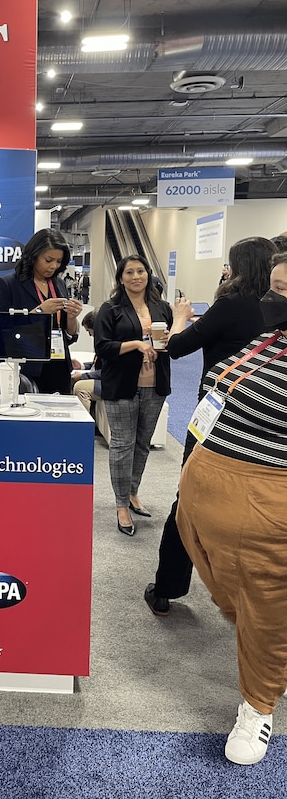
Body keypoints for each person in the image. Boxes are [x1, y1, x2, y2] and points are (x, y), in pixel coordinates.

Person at [176, 251, 287, 766]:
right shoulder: (270, 339)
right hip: (206, 494)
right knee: (241, 604)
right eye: (275, 286)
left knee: (266, 610)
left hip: (265, 510)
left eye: (284, 291)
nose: (272, 299)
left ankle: (258, 705)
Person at [144, 236, 275, 615]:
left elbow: (177, 346)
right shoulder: (271, 310)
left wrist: (181, 316)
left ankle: (167, 586)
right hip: (265, 424)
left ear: (237, 267)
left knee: (189, 498)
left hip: (217, 417)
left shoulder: (232, 304)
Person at [93, 254, 172, 535]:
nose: (136, 276)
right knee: (122, 444)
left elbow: (171, 343)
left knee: (142, 444)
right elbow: (103, 348)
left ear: (148, 274)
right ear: (121, 278)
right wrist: (136, 344)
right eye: (129, 272)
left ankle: (132, 492)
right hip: (122, 385)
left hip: (155, 384)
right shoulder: (110, 309)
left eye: (141, 271)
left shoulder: (162, 308)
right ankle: (120, 504)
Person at [0, 229, 83, 394]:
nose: (53, 266)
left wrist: (71, 318)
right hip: (26, 367)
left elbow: (68, 336)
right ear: (33, 256)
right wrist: (38, 312)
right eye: (48, 260)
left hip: (59, 366)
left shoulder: (59, 284)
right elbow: (1, 333)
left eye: (58, 261)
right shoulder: (8, 285)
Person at [71, 310, 102, 412]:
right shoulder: (101, 342)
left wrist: (83, 376)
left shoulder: (107, 344)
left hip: (111, 383)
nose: (89, 335)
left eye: (89, 331)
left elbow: (106, 371)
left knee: (79, 387)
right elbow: (98, 364)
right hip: (103, 378)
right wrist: (82, 366)